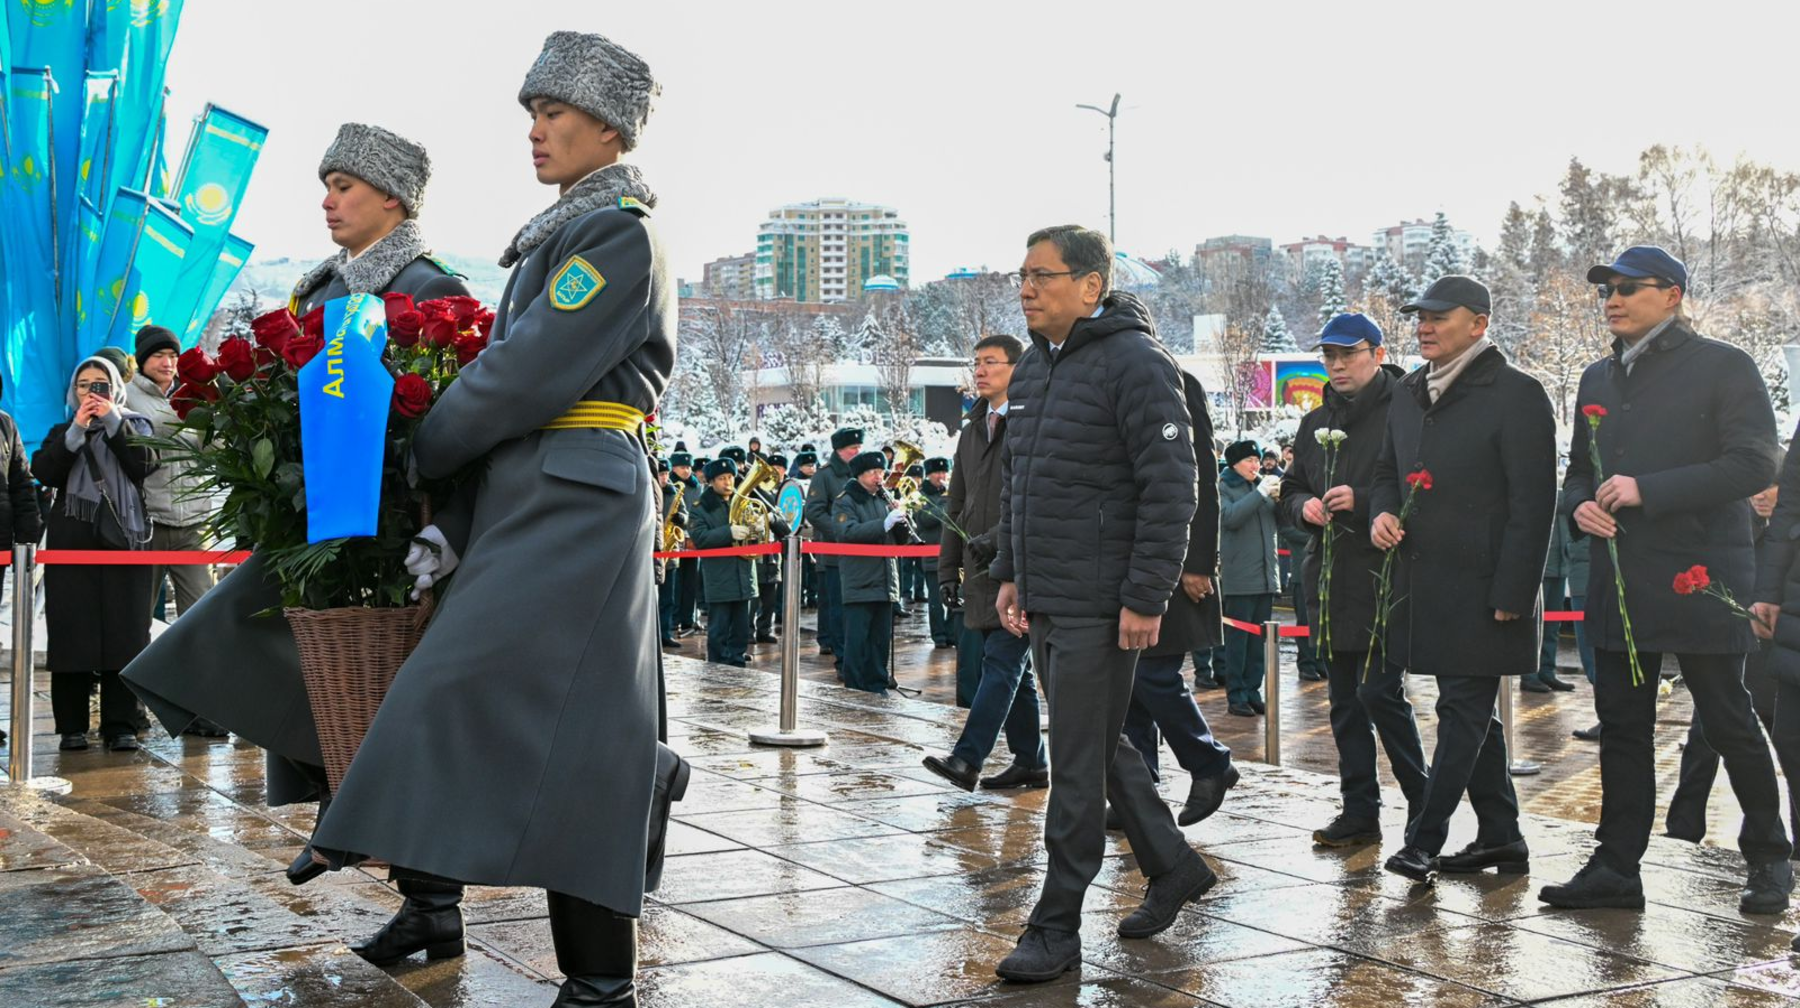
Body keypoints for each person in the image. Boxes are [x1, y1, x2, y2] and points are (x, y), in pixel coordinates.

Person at [309, 33, 688, 1006]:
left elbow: (520, 371)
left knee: (494, 693)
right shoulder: (568, 229)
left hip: (577, 496)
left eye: (553, 113)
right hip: (542, 487)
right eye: (532, 113)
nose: (537, 131)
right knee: (573, 740)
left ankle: (374, 832)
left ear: (608, 125)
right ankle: (591, 977)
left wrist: (423, 447)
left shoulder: (616, 233)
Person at [123, 120, 476, 891]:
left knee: (397, 710)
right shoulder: (315, 291)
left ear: (392, 196)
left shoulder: (430, 290)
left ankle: (426, 893)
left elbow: (453, 415)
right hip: (315, 526)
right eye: (326, 185)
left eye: (343, 186)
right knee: (310, 682)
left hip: (393, 534)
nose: (327, 201)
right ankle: (357, 832)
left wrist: (440, 527)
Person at [989, 224, 1212, 983]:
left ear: (1091, 285)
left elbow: (1171, 487)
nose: (1026, 287)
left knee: (1076, 768)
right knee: (1097, 741)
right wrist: (1012, 571)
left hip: (1103, 600)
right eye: (1021, 274)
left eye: (1042, 275)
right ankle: (1173, 864)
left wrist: (1146, 594)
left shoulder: (1138, 364)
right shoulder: (1032, 372)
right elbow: (1022, 481)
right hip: (1050, 594)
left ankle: (1055, 929)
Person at [1542, 246, 1792, 915]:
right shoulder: (1596, 377)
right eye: (1605, 290)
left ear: (1673, 293)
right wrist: (1582, 505)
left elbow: (1754, 464)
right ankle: (1617, 867)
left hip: (1701, 573)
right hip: (1618, 578)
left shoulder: (1723, 365)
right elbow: (1575, 473)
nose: (1612, 299)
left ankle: (1769, 856)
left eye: (1628, 288)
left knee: (1726, 719)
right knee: (1623, 725)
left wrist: (1647, 490)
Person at [1372, 275, 1556, 885]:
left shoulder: (1518, 394)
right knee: (1472, 718)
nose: (1423, 325)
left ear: (1478, 323)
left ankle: (1424, 840)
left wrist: (1514, 592)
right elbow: (1385, 472)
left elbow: (1535, 505)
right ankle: (1502, 836)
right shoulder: (1407, 392)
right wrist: (1381, 512)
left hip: (1485, 588)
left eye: (1438, 316)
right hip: (1422, 583)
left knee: (1462, 713)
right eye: (1418, 316)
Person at [1279, 312, 1428, 847]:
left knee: (1380, 693)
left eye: (1349, 353)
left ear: (1378, 353)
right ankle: (1360, 810)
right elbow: (1290, 489)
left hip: (1386, 575)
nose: (1338, 364)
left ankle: (1423, 804)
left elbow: (1423, 486)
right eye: (1330, 355)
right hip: (1329, 577)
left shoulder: (1407, 410)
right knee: (1343, 701)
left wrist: (1365, 502)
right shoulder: (1315, 419)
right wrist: (1305, 508)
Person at [921, 334, 1046, 791]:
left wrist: (997, 540)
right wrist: (946, 570)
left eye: (991, 362)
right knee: (1015, 669)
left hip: (1021, 564)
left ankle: (968, 758)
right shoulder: (973, 427)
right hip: (979, 567)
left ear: (1017, 368)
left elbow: (1037, 497)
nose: (980, 370)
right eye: (977, 362)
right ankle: (1032, 761)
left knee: (1003, 661)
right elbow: (956, 503)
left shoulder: (1033, 422)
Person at [1122, 368, 1237, 825]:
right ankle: (1141, 791)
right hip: (1127, 556)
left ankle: (1210, 763)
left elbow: (1201, 478)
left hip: (1169, 558)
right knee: (1130, 680)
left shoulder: (1173, 381)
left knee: (1153, 672)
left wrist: (1199, 562)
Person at [1668, 471, 1799, 844]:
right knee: (1705, 737)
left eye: (1770, 487)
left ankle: (1786, 842)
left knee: (1784, 743)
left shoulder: (1786, 536)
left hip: (1778, 649)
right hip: (1734, 642)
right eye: (1755, 488)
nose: (1761, 496)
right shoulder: (1740, 526)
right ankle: (1683, 828)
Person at [33, 357, 155, 752]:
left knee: (125, 633)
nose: (91, 392)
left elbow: (143, 464)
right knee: (72, 633)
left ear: (116, 388)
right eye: (84, 385)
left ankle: (120, 725)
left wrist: (114, 420)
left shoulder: (136, 426)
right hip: (72, 546)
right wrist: (77, 431)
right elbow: (46, 472)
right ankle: (71, 727)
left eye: (100, 384)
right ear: (74, 392)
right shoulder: (61, 431)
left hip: (126, 545)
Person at [124, 326, 219, 623]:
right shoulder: (126, 396)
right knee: (137, 614)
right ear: (142, 360)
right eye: (158, 355)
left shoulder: (194, 392)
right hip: (147, 523)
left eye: (173, 356)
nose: (167, 362)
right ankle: (129, 671)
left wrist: (212, 419)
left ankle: (199, 670)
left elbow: (214, 451)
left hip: (195, 522)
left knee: (202, 613)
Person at [832, 451, 908, 695]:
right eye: (873, 473)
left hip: (885, 579)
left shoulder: (883, 498)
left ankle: (877, 683)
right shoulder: (845, 500)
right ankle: (855, 686)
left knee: (880, 639)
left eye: (882, 473)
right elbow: (847, 532)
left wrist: (903, 520)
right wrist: (884, 523)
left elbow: (900, 541)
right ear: (860, 475)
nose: (879, 477)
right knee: (858, 639)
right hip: (860, 580)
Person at [1218, 439, 1280, 717]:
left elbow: (1281, 523)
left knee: (1259, 643)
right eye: (1249, 461)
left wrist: (1281, 498)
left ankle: (1253, 690)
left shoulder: (1261, 487)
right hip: (1239, 577)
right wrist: (1260, 494)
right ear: (1234, 464)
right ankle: (1236, 695)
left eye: (1257, 460)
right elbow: (1230, 518)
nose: (1256, 466)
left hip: (1266, 576)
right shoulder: (1224, 486)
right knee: (1238, 642)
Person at [689, 458, 757, 667]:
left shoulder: (743, 500)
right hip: (719, 575)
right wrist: (729, 532)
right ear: (711, 481)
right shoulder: (700, 508)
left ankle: (737, 661)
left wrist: (758, 529)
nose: (728, 482)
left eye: (730, 477)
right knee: (718, 627)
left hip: (744, 573)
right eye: (721, 478)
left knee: (741, 627)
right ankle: (717, 665)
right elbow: (700, 538)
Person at [805, 427, 861, 674]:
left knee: (857, 611)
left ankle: (858, 657)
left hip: (861, 553)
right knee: (838, 609)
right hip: (835, 554)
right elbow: (814, 511)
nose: (857, 452)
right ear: (840, 450)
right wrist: (841, 531)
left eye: (859, 448)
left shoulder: (861, 473)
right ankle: (842, 660)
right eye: (853, 449)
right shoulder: (824, 476)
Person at [915, 457, 954, 648]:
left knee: (955, 595)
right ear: (928, 475)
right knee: (936, 598)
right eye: (937, 473)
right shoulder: (920, 495)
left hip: (952, 553)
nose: (941, 476)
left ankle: (952, 632)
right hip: (932, 552)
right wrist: (945, 504)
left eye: (944, 472)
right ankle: (938, 635)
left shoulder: (952, 492)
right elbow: (923, 520)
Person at [668, 451, 702, 637]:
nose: (687, 471)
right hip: (675, 536)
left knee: (691, 580)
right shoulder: (670, 484)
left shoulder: (696, 487)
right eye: (683, 467)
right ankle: (673, 619)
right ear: (674, 467)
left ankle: (688, 618)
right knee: (676, 581)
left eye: (689, 467)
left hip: (693, 537)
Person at [656, 459, 687, 650]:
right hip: (654, 551)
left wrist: (681, 518)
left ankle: (665, 633)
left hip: (670, 552)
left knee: (668, 598)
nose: (665, 478)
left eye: (666, 474)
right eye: (661, 474)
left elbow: (686, 515)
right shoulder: (650, 492)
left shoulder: (674, 492)